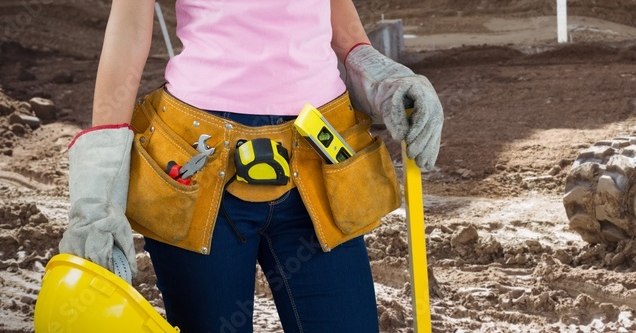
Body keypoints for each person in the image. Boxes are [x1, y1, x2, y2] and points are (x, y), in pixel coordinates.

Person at [57, 0, 443, 332]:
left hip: (317, 158)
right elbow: (128, 32)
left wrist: (379, 74)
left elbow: (332, 12)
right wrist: (98, 186)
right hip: (196, 167)